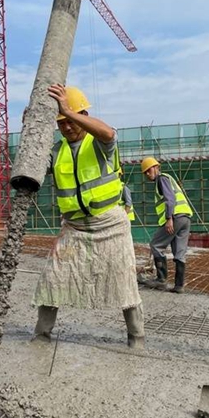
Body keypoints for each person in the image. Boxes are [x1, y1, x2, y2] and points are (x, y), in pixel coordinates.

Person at [33, 84, 144, 348]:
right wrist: (33, 124)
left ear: (81, 114)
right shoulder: (57, 152)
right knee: (53, 277)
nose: (67, 127)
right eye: (61, 123)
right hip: (74, 227)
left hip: (110, 224)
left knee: (124, 279)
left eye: (70, 120)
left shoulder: (99, 143)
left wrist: (68, 111)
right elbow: (32, 164)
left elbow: (108, 132)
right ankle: (41, 334)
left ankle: (136, 337)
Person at [141, 157, 192, 293]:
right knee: (179, 253)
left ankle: (161, 280)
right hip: (185, 218)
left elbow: (170, 199)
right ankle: (179, 285)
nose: (147, 174)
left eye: (149, 169)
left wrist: (169, 218)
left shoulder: (162, 179)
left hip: (175, 217)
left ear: (157, 167)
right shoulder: (168, 178)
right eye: (145, 172)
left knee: (156, 245)